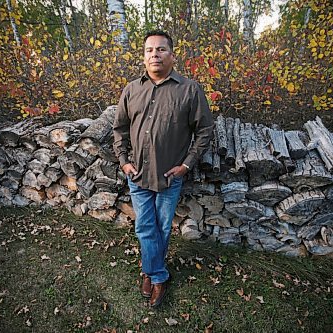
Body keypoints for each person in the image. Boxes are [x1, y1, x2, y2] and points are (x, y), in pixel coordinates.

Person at [113, 30, 214, 307]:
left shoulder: (189, 89)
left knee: (162, 228)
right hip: (138, 174)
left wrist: (186, 165)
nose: (154, 54)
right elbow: (120, 128)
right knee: (146, 227)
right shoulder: (132, 89)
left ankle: (149, 270)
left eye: (160, 49)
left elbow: (204, 130)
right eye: (149, 50)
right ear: (144, 56)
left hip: (170, 176)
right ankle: (157, 276)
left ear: (172, 55)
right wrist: (123, 160)